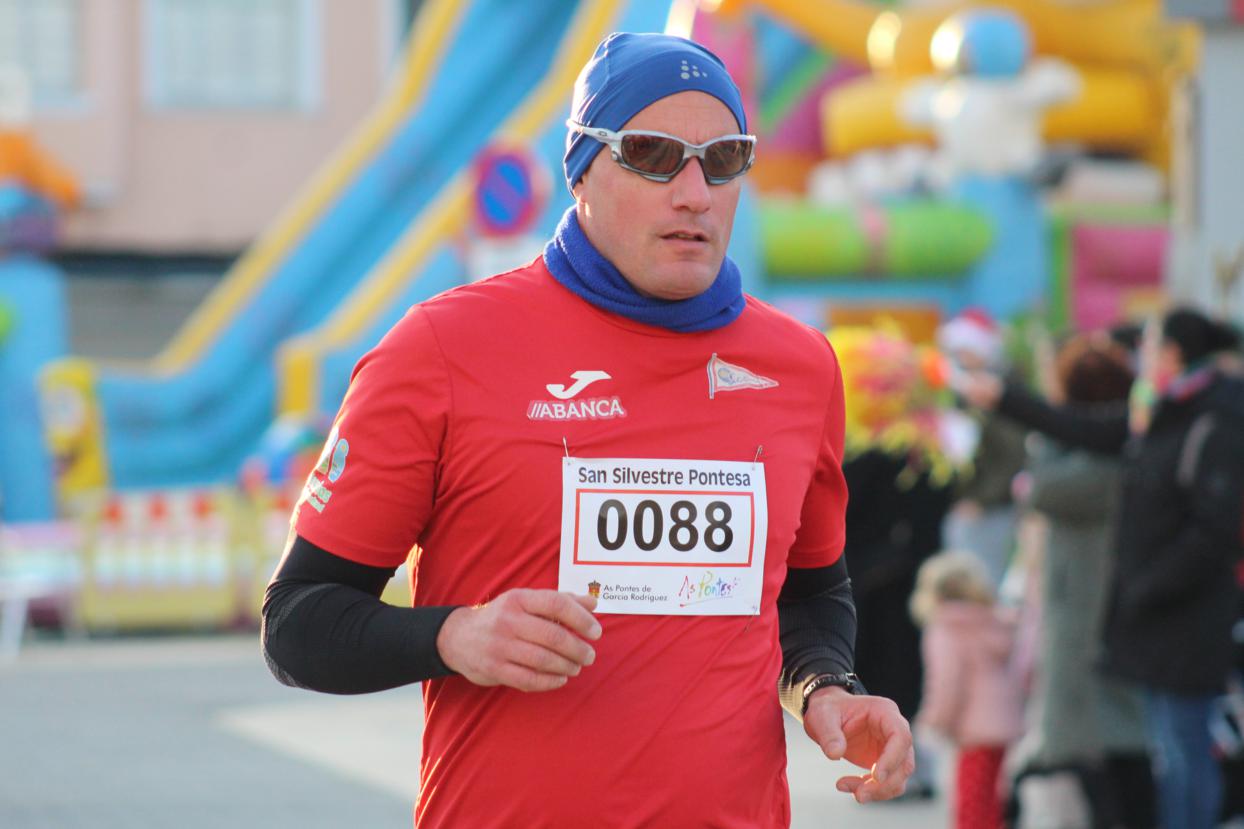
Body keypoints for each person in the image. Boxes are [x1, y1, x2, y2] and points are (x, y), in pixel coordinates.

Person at [261, 32, 914, 828]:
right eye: (653, 154)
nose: (695, 192)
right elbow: (297, 622)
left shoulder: (800, 366)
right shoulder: (443, 348)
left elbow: (809, 594)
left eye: (724, 159)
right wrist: (455, 635)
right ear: (581, 168)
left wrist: (825, 688)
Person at [959, 307, 1244, 829]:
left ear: (1173, 353)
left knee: (1184, 752)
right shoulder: (1167, 412)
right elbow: (1086, 430)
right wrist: (1005, 399)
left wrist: (1148, 584)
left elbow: (1213, 528)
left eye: (1149, 346)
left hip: (1187, 609)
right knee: (1172, 749)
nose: (1140, 359)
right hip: (1159, 611)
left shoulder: (1213, 417)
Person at [1009, 333, 1154, 828]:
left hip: (1090, 613)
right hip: (1094, 608)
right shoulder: (1118, 451)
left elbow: (1042, 489)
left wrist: (1050, 429)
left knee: (1103, 741)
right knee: (1101, 737)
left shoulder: (1098, 464)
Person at [911, 550, 1025, 829]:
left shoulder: (946, 628)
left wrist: (934, 721)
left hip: (973, 729)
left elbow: (947, 683)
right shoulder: (994, 622)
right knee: (991, 800)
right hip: (1003, 723)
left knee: (970, 803)